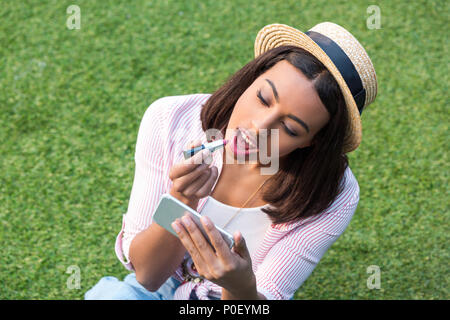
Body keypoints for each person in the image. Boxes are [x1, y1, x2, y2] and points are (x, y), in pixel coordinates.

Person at [85, 22, 378, 300]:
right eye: (263, 98)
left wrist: (241, 286)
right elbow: (148, 276)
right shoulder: (170, 119)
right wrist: (181, 198)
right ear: (253, 77)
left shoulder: (334, 194)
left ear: (311, 141)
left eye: (289, 129)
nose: (258, 128)